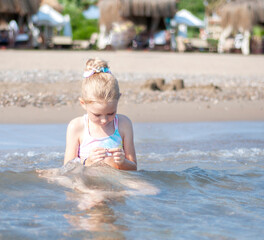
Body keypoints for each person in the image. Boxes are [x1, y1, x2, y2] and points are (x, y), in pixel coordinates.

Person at [64, 58, 137, 170]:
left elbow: (133, 167)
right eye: (97, 115)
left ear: (119, 99)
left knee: (147, 188)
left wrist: (123, 163)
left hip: (116, 181)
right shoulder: (77, 126)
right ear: (83, 103)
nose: (104, 120)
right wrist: (88, 162)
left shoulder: (123, 124)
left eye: (111, 113)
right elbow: (67, 169)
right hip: (89, 180)